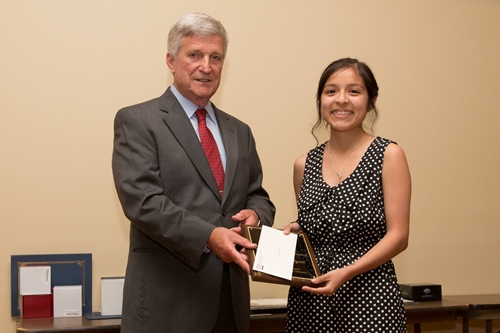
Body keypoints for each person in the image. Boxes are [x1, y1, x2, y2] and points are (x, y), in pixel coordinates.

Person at [112, 13, 275, 333]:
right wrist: (209, 236)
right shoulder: (138, 121)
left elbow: (258, 195)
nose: (207, 66)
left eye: (216, 57)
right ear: (171, 61)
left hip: (231, 304)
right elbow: (143, 202)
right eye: (195, 55)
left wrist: (256, 217)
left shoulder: (238, 130)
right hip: (168, 305)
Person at [283, 58, 411, 332]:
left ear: (371, 100)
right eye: (331, 91)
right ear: (320, 100)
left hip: (370, 299)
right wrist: (298, 228)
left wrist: (348, 272)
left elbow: (399, 237)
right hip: (311, 301)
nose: (341, 100)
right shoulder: (303, 164)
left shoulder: (388, 155)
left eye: (354, 91)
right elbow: (318, 228)